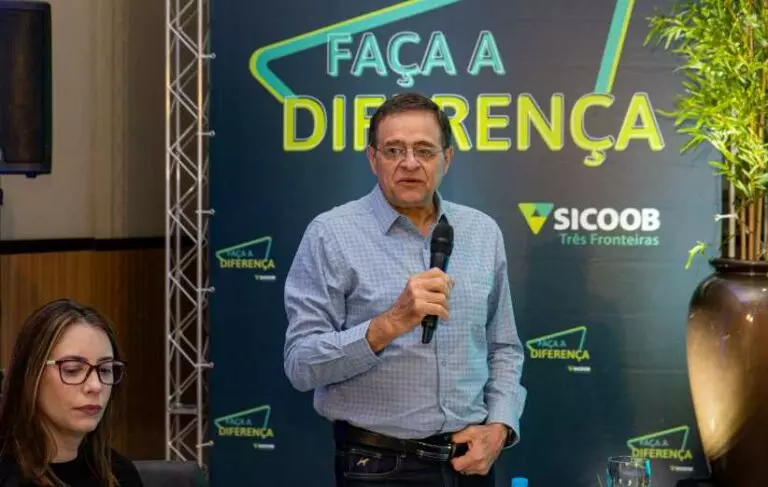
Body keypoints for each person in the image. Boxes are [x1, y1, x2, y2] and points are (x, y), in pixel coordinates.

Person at [284, 92, 527, 486]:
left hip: (470, 464)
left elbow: (504, 347)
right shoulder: (331, 234)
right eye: (394, 150)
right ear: (373, 158)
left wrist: (499, 426)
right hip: (377, 466)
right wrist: (390, 323)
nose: (410, 163)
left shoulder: (482, 231)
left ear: (447, 158)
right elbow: (300, 365)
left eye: (424, 151)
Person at [0, 299, 143, 487]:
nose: (96, 386)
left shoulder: (119, 474)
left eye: (105, 370)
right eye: (72, 370)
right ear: (31, 374)